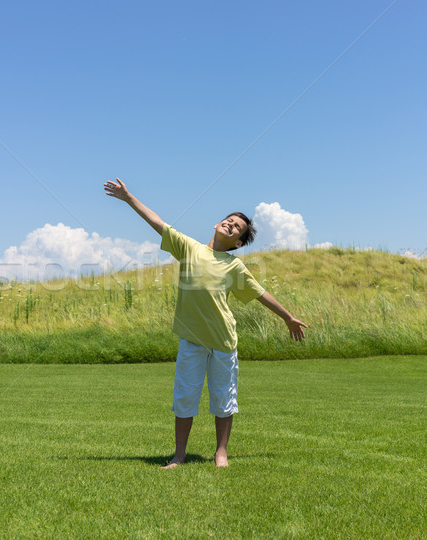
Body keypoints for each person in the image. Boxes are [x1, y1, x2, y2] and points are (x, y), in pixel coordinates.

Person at [104, 178, 308, 468]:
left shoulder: (234, 266)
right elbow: (159, 223)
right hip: (191, 340)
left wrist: (287, 316)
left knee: (224, 400)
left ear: (238, 242)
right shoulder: (189, 248)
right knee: (185, 398)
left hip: (224, 342)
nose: (231, 224)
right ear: (217, 224)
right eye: (229, 220)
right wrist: (127, 197)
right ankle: (179, 455)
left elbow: (260, 293)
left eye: (237, 227)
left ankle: (220, 452)